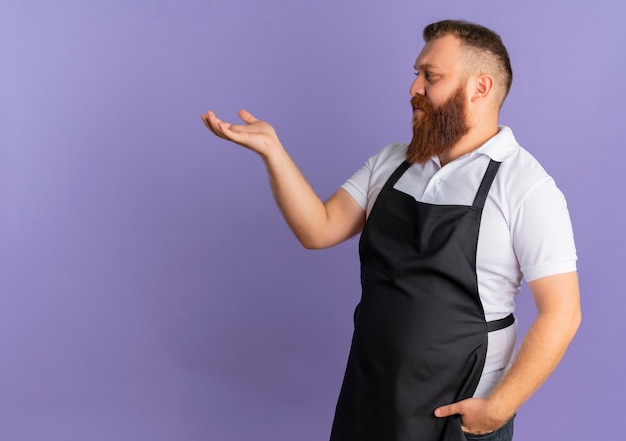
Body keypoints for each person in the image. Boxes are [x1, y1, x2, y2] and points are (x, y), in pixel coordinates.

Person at [201, 19, 581, 441]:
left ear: (480, 87)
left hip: (456, 413)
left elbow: (562, 313)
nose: (414, 88)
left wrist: (497, 409)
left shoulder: (525, 187)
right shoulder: (393, 161)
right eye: (416, 74)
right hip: (370, 392)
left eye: (430, 76)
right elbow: (318, 229)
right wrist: (272, 151)